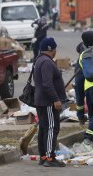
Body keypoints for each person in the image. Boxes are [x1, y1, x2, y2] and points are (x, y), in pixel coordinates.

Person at [33, 37, 67, 167]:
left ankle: (43, 156)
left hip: (41, 100)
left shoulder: (39, 60)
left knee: (44, 128)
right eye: (55, 48)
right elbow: (47, 84)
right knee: (52, 128)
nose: (56, 50)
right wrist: (56, 99)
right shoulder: (47, 62)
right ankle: (49, 157)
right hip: (48, 102)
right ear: (51, 49)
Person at [74, 39, 86, 125]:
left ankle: (81, 117)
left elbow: (77, 49)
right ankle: (90, 117)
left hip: (79, 72)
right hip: (88, 73)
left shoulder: (82, 45)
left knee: (79, 96)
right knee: (90, 96)